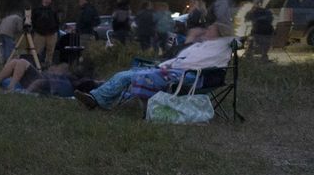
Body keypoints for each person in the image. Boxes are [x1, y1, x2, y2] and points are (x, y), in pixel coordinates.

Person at [75, 27, 236, 111]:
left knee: (127, 77)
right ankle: (97, 97)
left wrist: (171, 65)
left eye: (211, 29)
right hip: (170, 69)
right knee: (125, 75)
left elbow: (194, 63)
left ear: (219, 33)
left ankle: (96, 99)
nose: (206, 30)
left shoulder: (220, 46)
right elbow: (179, 57)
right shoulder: (203, 46)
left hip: (186, 76)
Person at [0, 58, 93, 99]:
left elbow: (40, 83)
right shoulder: (67, 79)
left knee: (22, 62)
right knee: (15, 62)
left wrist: (25, 93)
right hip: (38, 78)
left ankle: (10, 88)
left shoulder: (67, 82)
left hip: (37, 81)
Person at [30, 0, 59, 64]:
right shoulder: (36, 10)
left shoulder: (53, 10)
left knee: (50, 51)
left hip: (52, 34)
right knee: (37, 51)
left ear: (51, 0)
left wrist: (55, 30)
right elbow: (32, 20)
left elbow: (57, 21)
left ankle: (48, 64)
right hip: (39, 34)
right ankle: (36, 64)